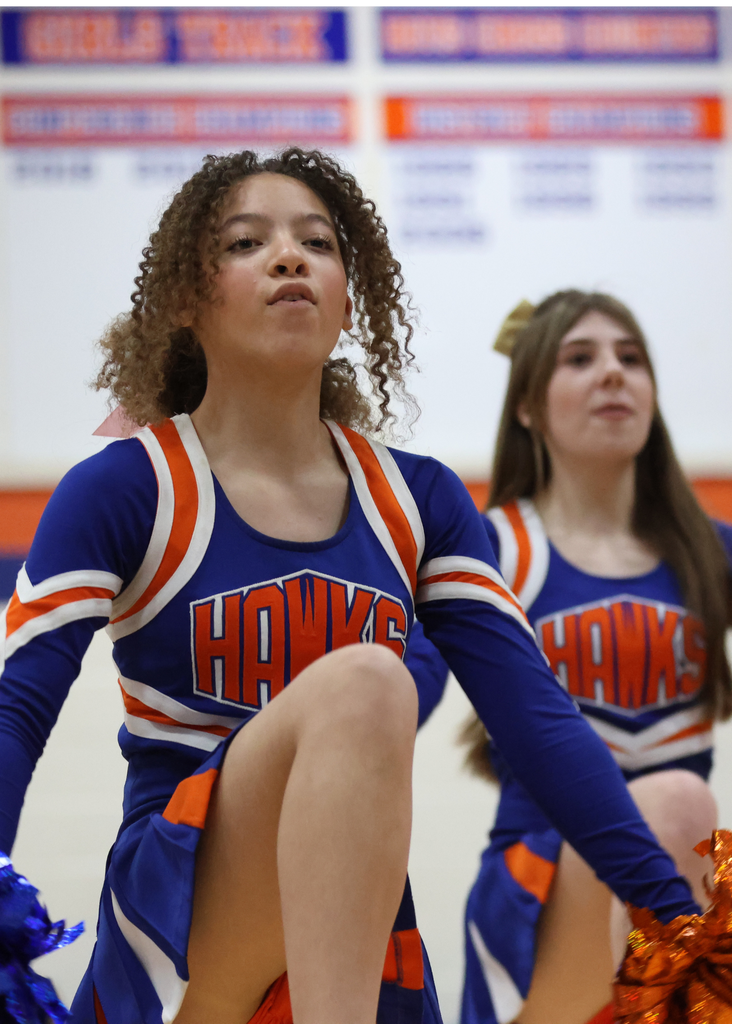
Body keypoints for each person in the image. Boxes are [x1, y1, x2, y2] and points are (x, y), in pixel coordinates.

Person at [0, 153, 719, 1024]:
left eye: (318, 243)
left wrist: (681, 920)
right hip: (183, 911)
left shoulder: (417, 498)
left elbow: (534, 716)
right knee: (368, 681)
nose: (290, 257)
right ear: (186, 301)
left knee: (662, 810)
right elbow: (17, 708)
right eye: (245, 242)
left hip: (351, 917)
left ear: (350, 301)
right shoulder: (127, 485)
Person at [459, 290, 732, 1024]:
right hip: (542, 880)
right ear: (528, 406)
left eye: (631, 358)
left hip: (681, 877)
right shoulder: (489, 548)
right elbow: (405, 681)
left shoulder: (711, 550)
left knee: (686, 815)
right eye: (580, 359)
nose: (614, 373)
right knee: (677, 805)